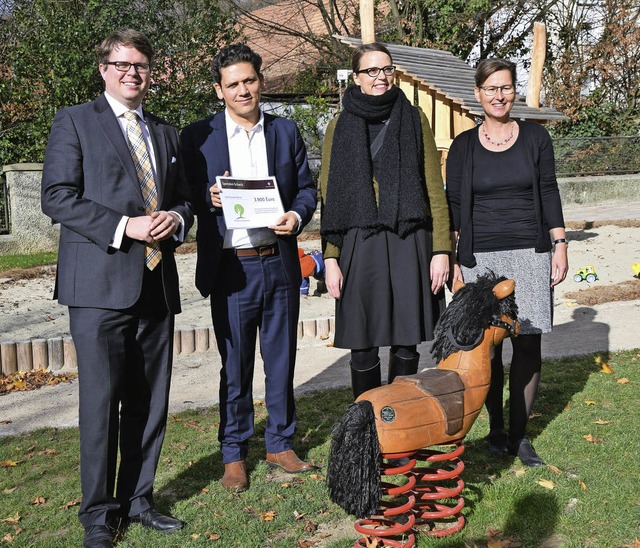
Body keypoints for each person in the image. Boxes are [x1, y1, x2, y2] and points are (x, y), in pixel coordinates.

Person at [41, 29, 194, 547]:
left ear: (151, 72)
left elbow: (185, 200)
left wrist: (176, 216)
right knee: (102, 403)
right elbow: (57, 197)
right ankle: (98, 516)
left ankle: (138, 499)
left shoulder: (166, 133)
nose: (133, 72)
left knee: (150, 401)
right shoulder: (75, 122)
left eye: (142, 65)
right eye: (122, 64)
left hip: (156, 284)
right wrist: (123, 226)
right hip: (99, 287)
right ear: (104, 68)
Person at [180, 44, 318, 492]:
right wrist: (207, 198)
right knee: (235, 367)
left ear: (261, 81)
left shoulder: (284, 131)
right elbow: (183, 193)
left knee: (282, 360)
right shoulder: (199, 136)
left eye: (250, 81)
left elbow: (306, 190)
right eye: (233, 83)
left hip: (278, 264)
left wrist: (296, 216)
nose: (243, 90)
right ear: (219, 90)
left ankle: (280, 442)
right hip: (232, 269)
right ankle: (234, 453)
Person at [446, 58, 568, 467]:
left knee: (528, 342)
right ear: (478, 94)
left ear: (514, 91)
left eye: (506, 87)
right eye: (491, 88)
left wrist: (560, 244)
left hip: (530, 254)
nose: (499, 95)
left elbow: (549, 191)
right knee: (488, 347)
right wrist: (456, 261)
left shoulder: (535, 138)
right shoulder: (463, 146)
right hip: (481, 259)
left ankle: (519, 435)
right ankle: (495, 429)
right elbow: (455, 206)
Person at [319, 42, 452, 399]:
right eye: (372, 71)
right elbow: (329, 196)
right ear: (356, 77)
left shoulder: (413, 117)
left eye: (387, 69)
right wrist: (330, 257)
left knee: (406, 342)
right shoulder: (339, 125)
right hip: (359, 241)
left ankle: (400, 417)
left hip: (409, 238)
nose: (381, 77)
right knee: (362, 345)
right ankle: (366, 420)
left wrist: (441, 249)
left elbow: (433, 188)